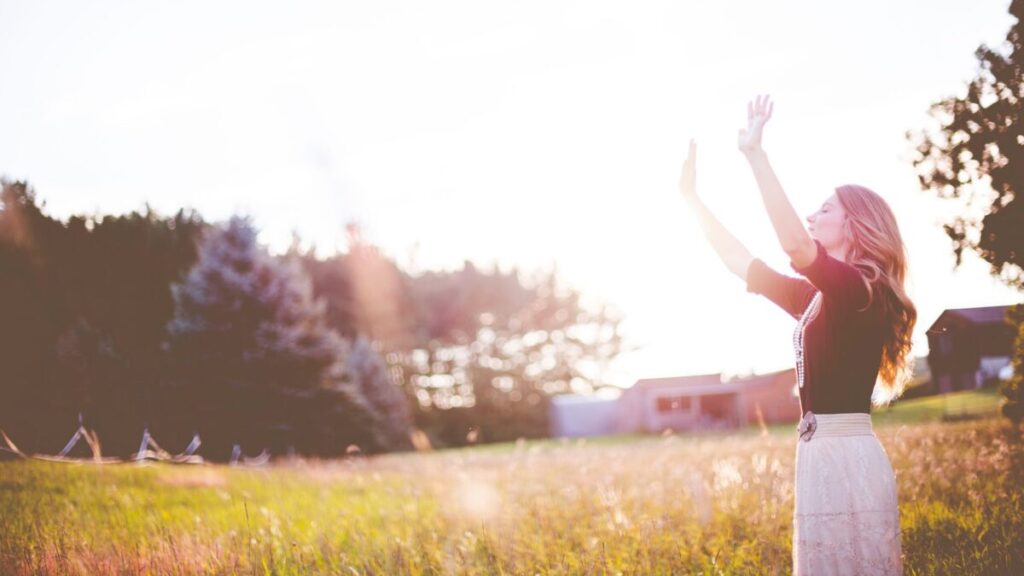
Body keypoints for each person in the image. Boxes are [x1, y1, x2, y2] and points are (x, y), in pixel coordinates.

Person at [679, 95, 915, 575]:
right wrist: (692, 202)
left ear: (855, 224)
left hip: (848, 459)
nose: (812, 217)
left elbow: (794, 245)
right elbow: (742, 263)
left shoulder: (861, 290)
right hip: (819, 458)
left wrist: (756, 157)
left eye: (824, 210)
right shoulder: (818, 296)